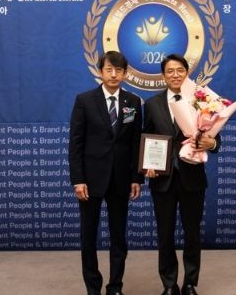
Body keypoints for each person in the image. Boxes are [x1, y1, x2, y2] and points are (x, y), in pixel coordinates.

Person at [143, 54, 220, 295]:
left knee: (192, 233)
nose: (175, 75)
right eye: (170, 71)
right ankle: (169, 284)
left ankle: (189, 283)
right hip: (162, 180)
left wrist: (211, 143)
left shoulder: (201, 100)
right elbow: (145, 138)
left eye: (180, 70)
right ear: (163, 76)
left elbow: (215, 137)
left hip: (192, 178)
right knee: (164, 234)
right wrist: (147, 165)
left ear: (187, 73)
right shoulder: (152, 104)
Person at [68, 51, 143, 295]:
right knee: (88, 236)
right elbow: (76, 144)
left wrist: (136, 178)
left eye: (118, 70)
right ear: (100, 71)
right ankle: (93, 287)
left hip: (121, 180)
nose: (113, 74)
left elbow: (135, 142)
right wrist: (78, 179)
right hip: (90, 180)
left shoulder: (133, 102)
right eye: (109, 69)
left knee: (118, 237)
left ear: (125, 74)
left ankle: (115, 286)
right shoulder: (85, 100)